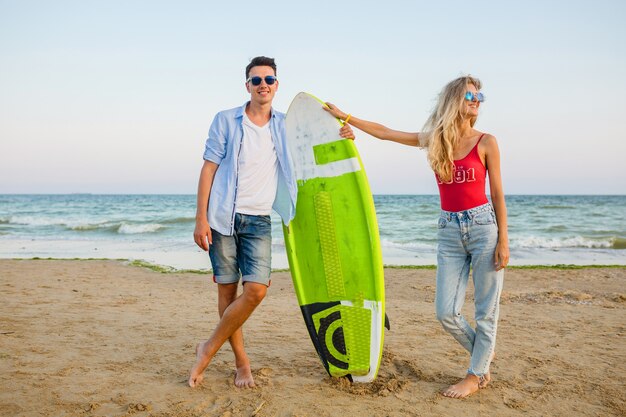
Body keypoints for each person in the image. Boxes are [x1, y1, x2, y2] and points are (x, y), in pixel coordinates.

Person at [324, 75, 509, 398]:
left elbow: (497, 195)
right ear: (455, 101)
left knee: (485, 311)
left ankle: (475, 375)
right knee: (445, 312)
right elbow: (386, 133)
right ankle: (483, 354)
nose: (477, 101)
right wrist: (347, 118)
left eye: (480, 97)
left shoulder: (487, 142)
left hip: (483, 228)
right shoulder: (437, 139)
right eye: (470, 96)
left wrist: (504, 240)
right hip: (449, 230)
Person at [189, 56, 354, 388]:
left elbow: (315, 145)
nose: (263, 85)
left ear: (277, 85)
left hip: (259, 219)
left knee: (256, 291)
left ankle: (207, 348)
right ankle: (241, 364)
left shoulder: (285, 125)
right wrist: (201, 218)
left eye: (269, 79)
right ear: (247, 85)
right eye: (256, 80)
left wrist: (344, 133)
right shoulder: (225, 120)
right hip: (223, 217)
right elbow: (208, 169)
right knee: (227, 290)